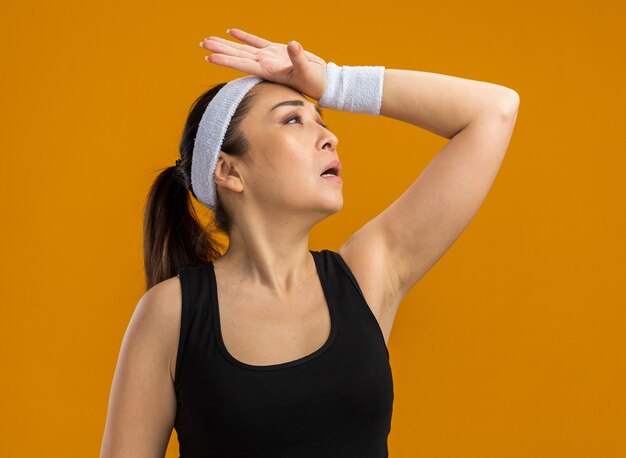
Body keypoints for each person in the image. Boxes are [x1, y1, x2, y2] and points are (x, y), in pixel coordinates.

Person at [100, 28, 520, 458]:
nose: (329, 137)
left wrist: (335, 83)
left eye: (323, 120)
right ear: (228, 171)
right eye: (292, 119)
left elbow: (494, 110)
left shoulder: (365, 275)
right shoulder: (171, 313)